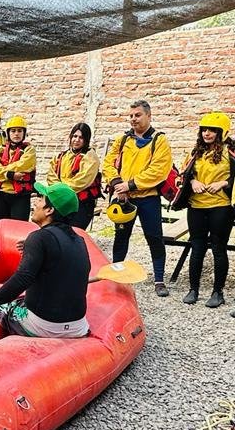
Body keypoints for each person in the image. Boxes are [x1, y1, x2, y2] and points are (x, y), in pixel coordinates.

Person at [0, 182, 90, 338]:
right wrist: (33, 249)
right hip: (78, 325)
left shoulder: (39, 238)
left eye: (41, 199)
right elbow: (60, 263)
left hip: (46, 326)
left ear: (49, 210)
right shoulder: (79, 240)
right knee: (20, 298)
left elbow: (22, 279)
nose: (36, 202)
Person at [102, 100, 172, 297]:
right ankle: (116, 276)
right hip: (125, 198)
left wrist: (130, 185)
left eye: (138, 115)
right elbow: (108, 162)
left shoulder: (159, 140)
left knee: (154, 237)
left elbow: (158, 170)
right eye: (131, 115)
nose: (133, 119)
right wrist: (117, 184)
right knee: (121, 237)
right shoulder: (123, 139)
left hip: (148, 198)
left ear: (149, 116)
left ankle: (159, 279)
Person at [175, 112, 234, 308]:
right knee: (197, 247)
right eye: (204, 130)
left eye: (212, 130)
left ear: (222, 132)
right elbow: (182, 174)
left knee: (219, 249)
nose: (207, 133)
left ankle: (217, 292)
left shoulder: (230, 151)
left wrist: (224, 183)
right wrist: (193, 181)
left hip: (221, 207)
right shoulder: (195, 152)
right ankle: (194, 289)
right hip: (197, 207)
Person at [46, 122, 102, 230]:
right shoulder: (61, 156)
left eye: (81, 137)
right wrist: (60, 190)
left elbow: (82, 180)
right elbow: (51, 175)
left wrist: (62, 189)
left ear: (86, 139)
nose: (77, 140)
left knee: (74, 233)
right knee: (56, 231)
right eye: (74, 136)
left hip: (81, 202)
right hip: (62, 200)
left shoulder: (90, 156)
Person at [0, 114, 37, 221]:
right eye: (13, 131)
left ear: (24, 133)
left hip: (20, 196)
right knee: (1, 227)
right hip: (1, 194)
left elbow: (24, 165)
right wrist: (10, 175)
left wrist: (3, 170)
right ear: (8, 133)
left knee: (18, 228)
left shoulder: (29, 150)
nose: (16, 134)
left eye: (20, 131)